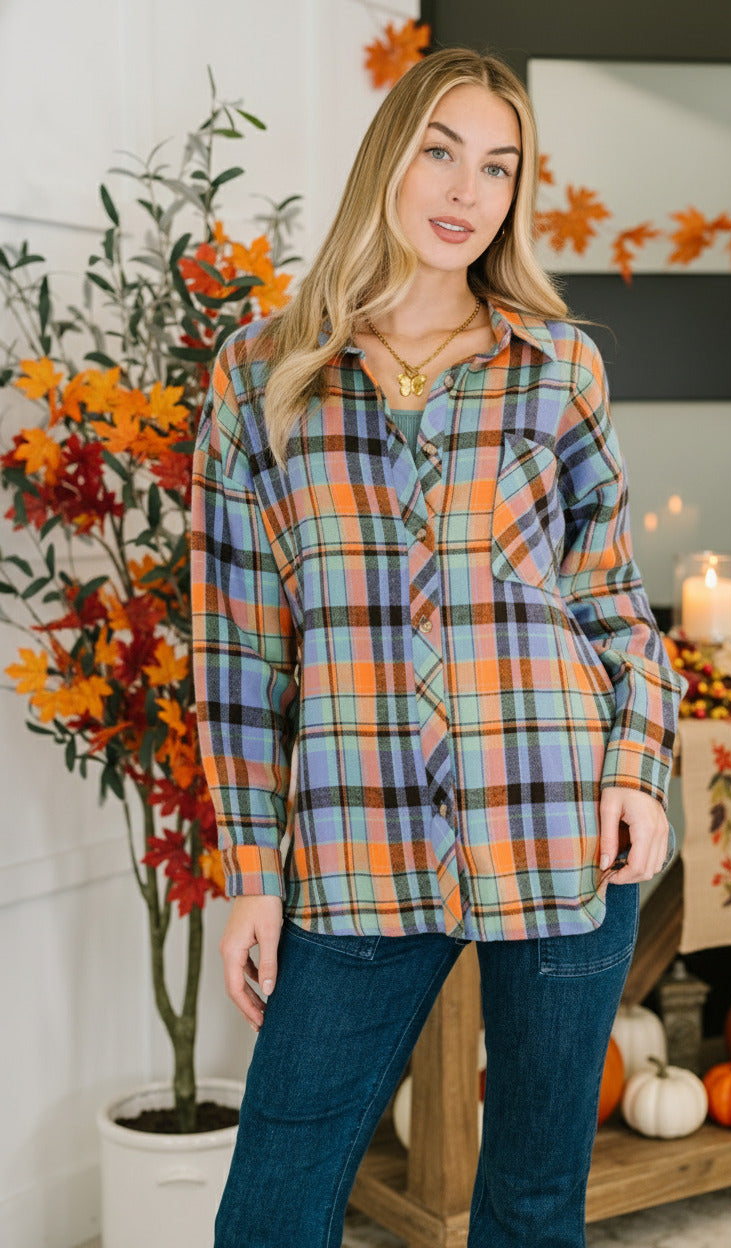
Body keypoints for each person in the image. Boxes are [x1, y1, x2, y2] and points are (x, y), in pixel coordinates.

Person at [191, 45, 685, 1248]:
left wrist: (639, 768)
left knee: (528, 1205)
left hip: (562, 821)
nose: (468, 190)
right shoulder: (261, 373)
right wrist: (253, 874)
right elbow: (240, 648)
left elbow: (613, 600)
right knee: (270, 1210)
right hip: (359, 846)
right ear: (390, 160)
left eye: (500, 168)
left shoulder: (556, 366)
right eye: (442, 152)